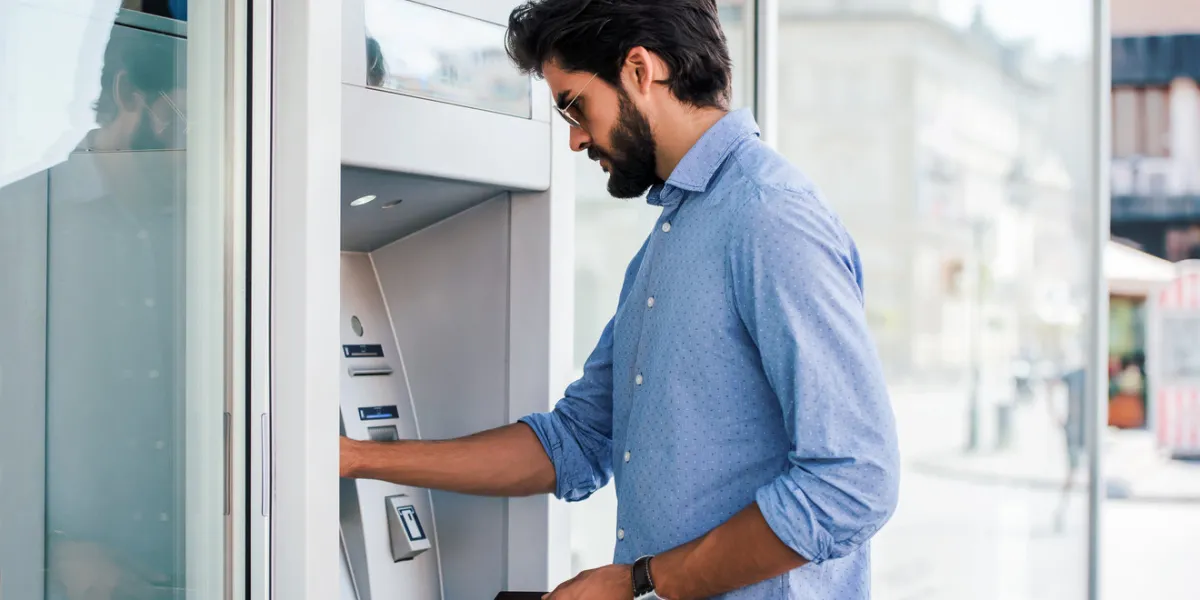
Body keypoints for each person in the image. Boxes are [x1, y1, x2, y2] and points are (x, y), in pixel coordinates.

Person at [340, 1, 901, 598]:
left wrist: (642, 579)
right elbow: (577, 442)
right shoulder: (672, 238)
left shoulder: (769, 216)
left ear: (640, 70)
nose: (577, 138)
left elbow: (855, 481)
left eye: (575, 105)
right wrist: (354, 458)